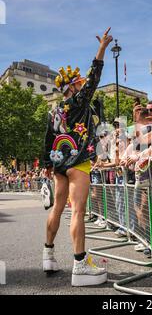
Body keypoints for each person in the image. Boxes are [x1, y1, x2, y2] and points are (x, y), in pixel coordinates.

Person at [42, 27, 113, 287]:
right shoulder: (79, 102)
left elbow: (47, 140)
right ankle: (80, 265)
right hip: (78, 162)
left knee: (58, 209)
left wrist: (47, 165)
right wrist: (102, 48)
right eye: (80, 83)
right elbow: (95, 75)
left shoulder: (54, 111)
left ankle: (48, 255)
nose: (84, 85)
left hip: (60, 165)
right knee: (78, 212)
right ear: (73, 87)